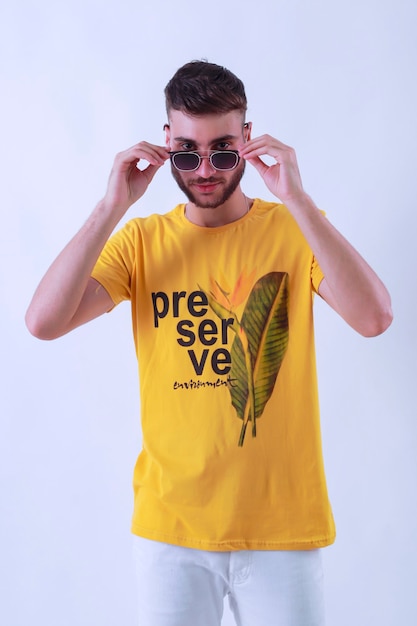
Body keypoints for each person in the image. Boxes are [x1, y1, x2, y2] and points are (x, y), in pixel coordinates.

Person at [25, 60, 393, 626]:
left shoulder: (294, 229)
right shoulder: (142, 242)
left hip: (282, 531)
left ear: (249, 140)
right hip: (172, 532)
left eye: (223, 150)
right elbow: (43, 322)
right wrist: (110, 207)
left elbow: (374, 317)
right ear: (166, 142)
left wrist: (298, 199)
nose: (204, 169)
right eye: (187, 151)